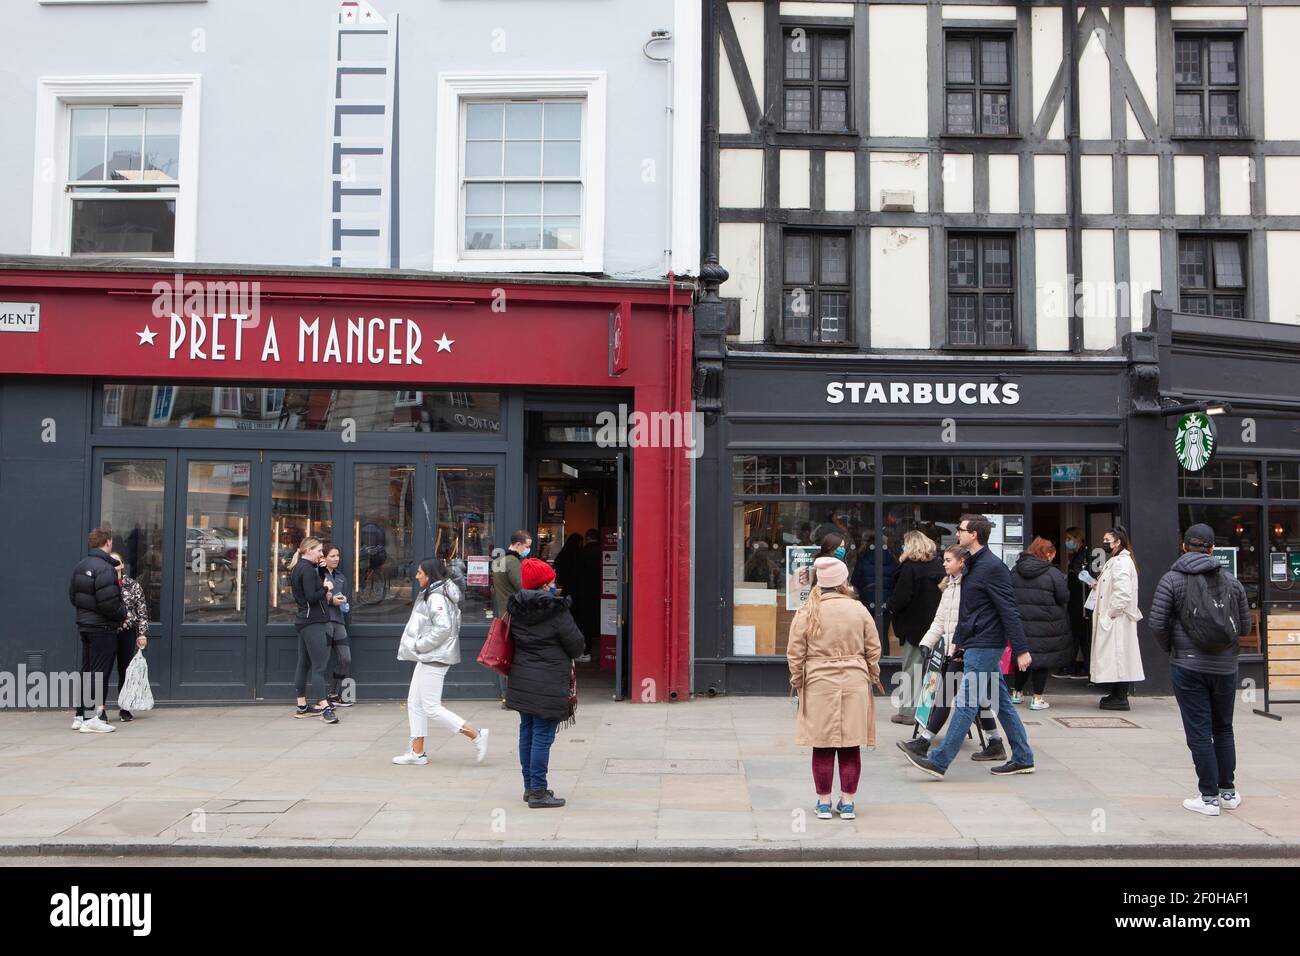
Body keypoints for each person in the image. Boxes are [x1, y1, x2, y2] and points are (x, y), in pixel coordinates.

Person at [900, 514, 1036, 779]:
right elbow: (965, 609)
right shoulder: (972, 564)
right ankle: (1023, 757)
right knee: (1002, 703)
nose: (957, 534)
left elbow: (1009, 609)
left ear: (974, 534)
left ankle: (939, 761)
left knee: (964, 703)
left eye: (961, 530)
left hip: (986, 644)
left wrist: (1021, 649)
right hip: (973, 641)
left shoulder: (992, 567)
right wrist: (957, 643)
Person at [1148, 523, 1251, 817]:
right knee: (1223, 728)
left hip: (1187, 666)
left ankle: (1207, 797)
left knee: (1199, 732)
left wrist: (1174, 649)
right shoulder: (1232, 582)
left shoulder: (1171, 580)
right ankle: (1227, 792)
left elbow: (1157, 624)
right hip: (1225, 668)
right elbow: (1244, 627)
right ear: (1212, 548)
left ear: (1184, 547)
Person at [787, 557, 883, 821]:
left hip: (818, 682)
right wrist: (872, 674)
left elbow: (795, 653)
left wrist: (798, 681)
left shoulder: (807, 611)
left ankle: (823, 803)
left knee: (823, 745)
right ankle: (848, 803)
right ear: (843, 582)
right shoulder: (859, 609)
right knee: (850, 745)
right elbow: (873, 649)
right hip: (854, 680)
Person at [896, 544, 1004, 762]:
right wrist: (927, 643)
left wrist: (962, 646)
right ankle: (995, 742)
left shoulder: (970, 586)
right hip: (955, 649)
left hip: (967, 649)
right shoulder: (950, 587)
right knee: (981, 697)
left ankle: (923, 742)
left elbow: (971, 621)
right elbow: (940, 621)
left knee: (945, 695)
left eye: (948, 560)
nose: (943, 564)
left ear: (961, 562)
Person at [393, 557, 489, 766]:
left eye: (419, 572)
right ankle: (417, 752)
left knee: (430, 707)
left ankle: (476, 734)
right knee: (415, 703)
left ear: (430, 575)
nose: (416, 576)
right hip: (430, 656)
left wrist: (420, 645)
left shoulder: (436, 597)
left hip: (433, 656)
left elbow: (444, 628)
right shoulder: (438, 592)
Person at [506, 558, 585, 809]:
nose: (554, 582)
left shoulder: (516, 608)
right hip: (548, 681)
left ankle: (530, 787)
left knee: (527, 731)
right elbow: (577, 646)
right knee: (542, 735)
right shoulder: (557, 609)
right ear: (544, 582)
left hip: (522, 678)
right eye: (551, 579)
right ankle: (539, 792)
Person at [68, 528, 127, 734]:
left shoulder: (80, 566)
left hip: (85, 625)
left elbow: (73, 597)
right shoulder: (105, 568)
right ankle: (92, 717)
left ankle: (81, 715)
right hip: (102, 627)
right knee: (99, 673)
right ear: (108, 542)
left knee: (87, 671)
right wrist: (122, 612)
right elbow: (109, 603)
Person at [885, 531, 945, 725]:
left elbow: (901, 597)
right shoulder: (939, 565)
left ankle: (908, 711)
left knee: (912, 668)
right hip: (936, 625)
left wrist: (889, 605)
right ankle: (927, 709)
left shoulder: (909, 568)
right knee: (932, 670)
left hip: (913, 626)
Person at [1009, 538, 1073, 710]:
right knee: (1041, 660)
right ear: (1048, 554)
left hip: (1021, 622)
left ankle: (1017, 693)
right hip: (1046, 624)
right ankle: (1037, 699)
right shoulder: (1053, 573)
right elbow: (1063, 597)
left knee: (1021, 658)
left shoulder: (1015, 570)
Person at [1090, 525, 1144, 711]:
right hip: (1116, 618)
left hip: (1117, 619)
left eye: (1107, 540)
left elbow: (1122, 593)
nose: (1104, 543)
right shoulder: (1117, 560)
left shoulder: (1121, 562)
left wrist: (1110, 613)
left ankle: (1120, 697)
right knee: (1117, 656)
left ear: (1118, 542)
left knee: (1119, 657)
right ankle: (1117, 694)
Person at [289, 538, 339, 724]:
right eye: (318, 550)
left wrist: (321, 575)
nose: (321, 554)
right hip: (313, 622)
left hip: (303, 620)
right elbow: (311, 597)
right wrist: (326, 587)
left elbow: (308, 594)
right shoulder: (307, 570)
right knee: (319, 666)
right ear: (308, 550)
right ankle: (325, 707)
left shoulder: (300, 568)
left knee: (304, 663)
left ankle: (302, 706)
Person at [491, 529, 532, 705]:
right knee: (515, 656)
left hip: (503, 613)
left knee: (505, 655)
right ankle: (512, 696)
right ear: (517, 544)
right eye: (527, 546)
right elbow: (523, 587)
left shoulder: (498, 561)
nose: (527, 549)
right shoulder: (513, 562)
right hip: (516, 615)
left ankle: (506, 695)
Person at [111, 551, 149, 722]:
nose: (114, 566)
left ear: (123, 564)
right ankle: (98, 708)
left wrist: (142, 633)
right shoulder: (103, 584)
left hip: (127, 632)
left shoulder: (132, 585)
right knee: (101, 671)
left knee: (125, 670)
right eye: (110, 562)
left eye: (117, 562)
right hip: (107, 632)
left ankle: (125, 708)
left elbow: (141, 610)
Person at [1057, 526, 1093, 679]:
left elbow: (1082, 578)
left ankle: (1083, 667)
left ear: (1077, 538)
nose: (1067, 542)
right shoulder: (1077, 555)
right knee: (1076, 634)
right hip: (1075, 600)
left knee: (1080, 634)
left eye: (1069, 539)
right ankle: (1074, 665)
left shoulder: (1083, 556)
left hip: (1080, 601)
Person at [322, 545, 354, 709]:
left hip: (339, 620)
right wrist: (330, 600)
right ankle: (322, 698)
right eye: (332, 556)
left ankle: (333, 693)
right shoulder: (319, 574)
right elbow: (315, 596)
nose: (336, 559)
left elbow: (346, 597)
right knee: (323, 659)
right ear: (325, 557)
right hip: (324, 621)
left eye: (338, 556)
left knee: (345, 658)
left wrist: (343, 602)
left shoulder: (341, 577)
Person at [574, 528, 604, 662]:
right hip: (604, 590)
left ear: (587, 538)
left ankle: (587, 650)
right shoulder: (604, 551)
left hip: (585, 591)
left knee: (586, 620)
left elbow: (577, 572)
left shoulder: (583, 553)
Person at [553, 532, 585, 598]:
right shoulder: (579, 554)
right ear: (579, 542)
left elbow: (556, 566)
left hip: (565, 586)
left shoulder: (563, 553)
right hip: (577, 586)